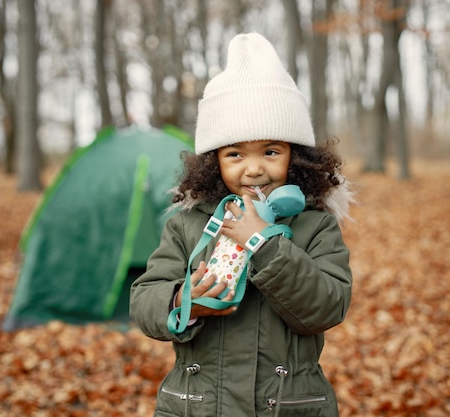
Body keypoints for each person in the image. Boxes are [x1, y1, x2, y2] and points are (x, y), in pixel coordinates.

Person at [130, 32, 353, 417]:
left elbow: (327, 307)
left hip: (288, 406)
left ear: (296, 156)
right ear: (213, 161)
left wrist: (265, 245)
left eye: (271, 151)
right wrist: (185, 301)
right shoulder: (187, 224)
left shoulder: (315, 225)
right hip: (197, 406)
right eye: (235, 154)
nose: (254, 168)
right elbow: (144, 298)